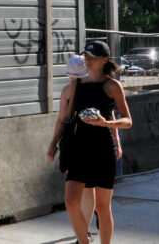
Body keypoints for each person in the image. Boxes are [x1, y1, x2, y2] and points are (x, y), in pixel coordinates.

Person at [48, 42, 132, 244]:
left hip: (102, 150)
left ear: (104, 60)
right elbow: (65, 118)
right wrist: (53, 144)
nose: (87, 60)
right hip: (77, 149)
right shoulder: (75, 86)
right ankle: (83, 241)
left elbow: (127, 120)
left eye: (92, 57)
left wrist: (106, 123)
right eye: (85, 56)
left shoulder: (112, 86)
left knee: (102, 207)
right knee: (70, 201)